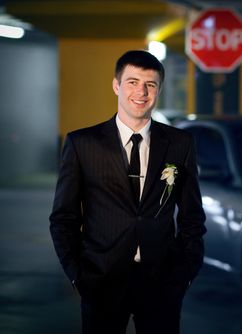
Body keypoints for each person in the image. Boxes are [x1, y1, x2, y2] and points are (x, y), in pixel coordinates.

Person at [49, 50, 206, 334]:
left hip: (162, 282)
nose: (141, 92)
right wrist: (78, 276)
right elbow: (63, 218)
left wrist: (184, 274)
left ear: (158, 90)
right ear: (116, 85)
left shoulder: (180, 144)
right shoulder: (82, 144)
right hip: (101, 280)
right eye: (133, 82)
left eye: (150, 84)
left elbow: (192, 216)